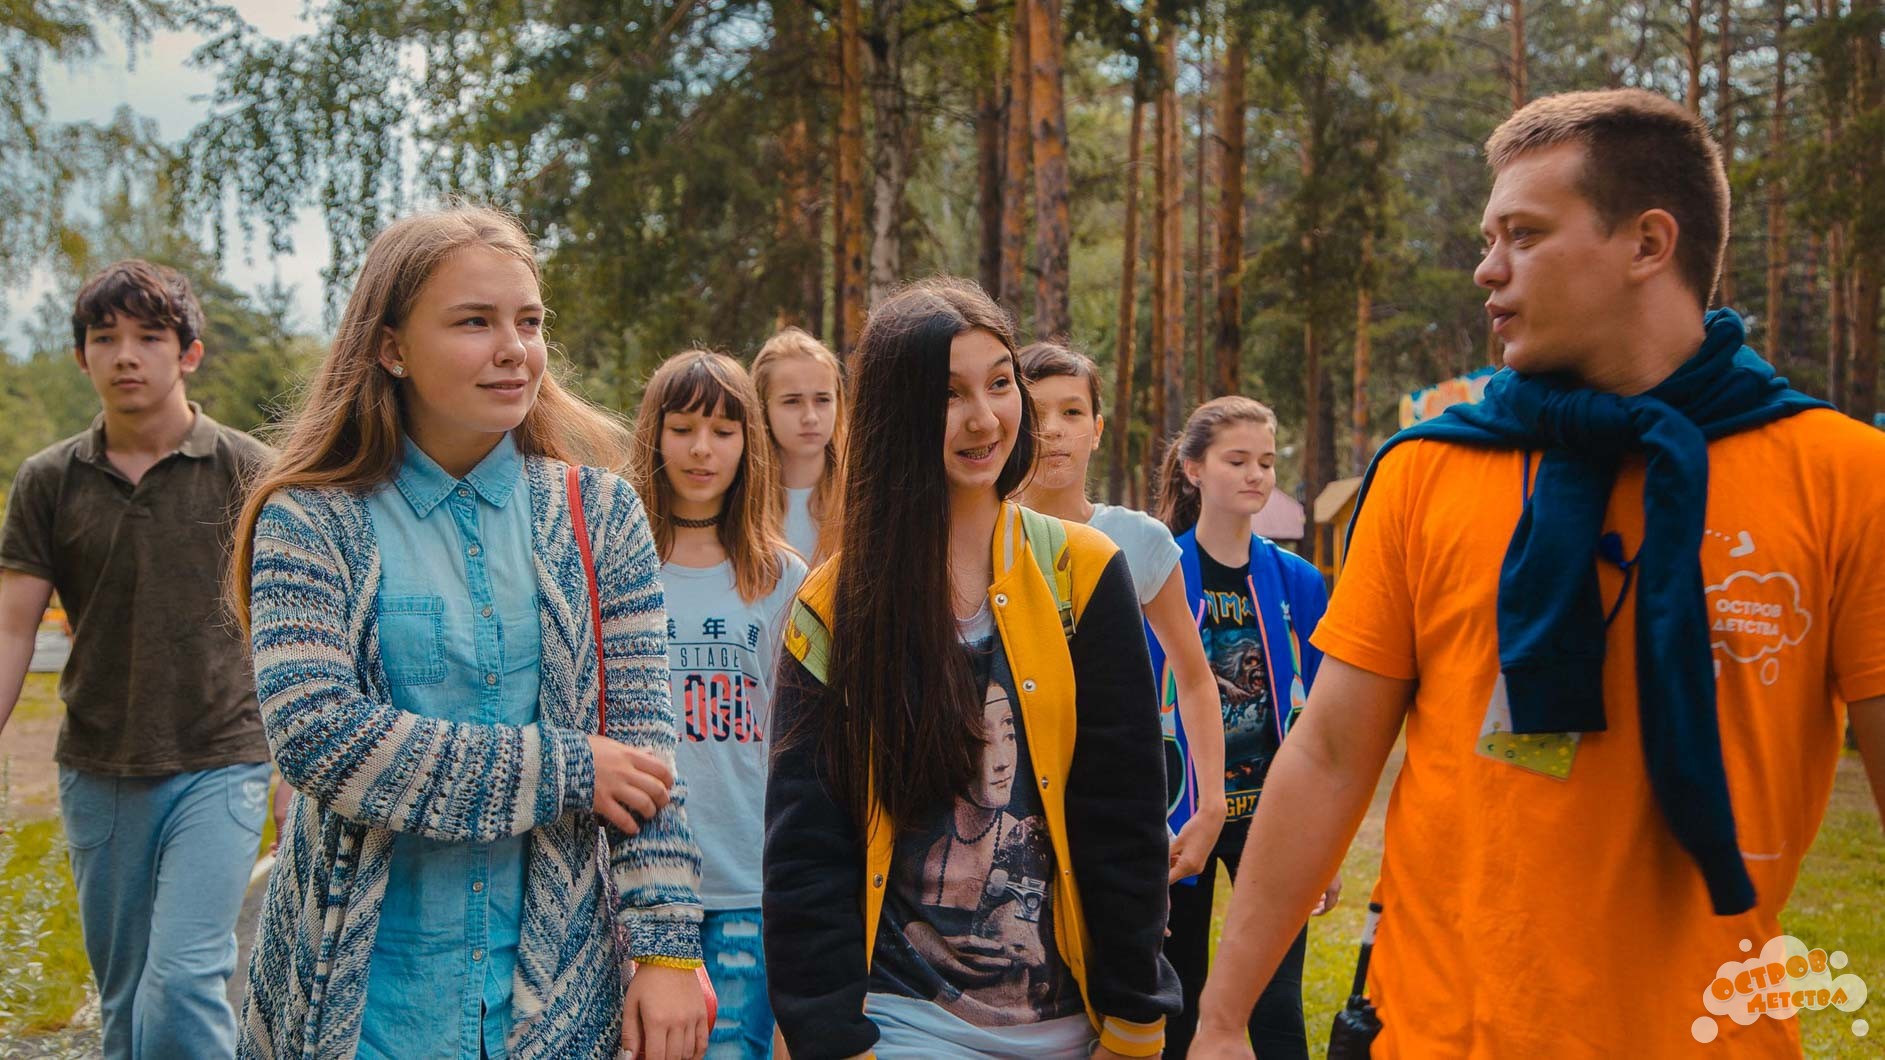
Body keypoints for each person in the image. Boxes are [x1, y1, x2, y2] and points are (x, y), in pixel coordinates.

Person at [1192, 89, 1885, 1059]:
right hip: (1434, 1032)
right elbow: (1331, 754)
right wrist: (1222, 1019)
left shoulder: (1844, 477)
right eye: (1488, 239)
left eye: (1522, 235)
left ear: (1647, 244)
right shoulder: (1428, 469)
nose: (1486, 269)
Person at [229, 206, 708, 1060]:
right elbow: (318, 736)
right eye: (474, 322)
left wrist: (668, 950)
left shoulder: (601, 515)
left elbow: (643, 753)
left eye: (529, 321)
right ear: (392, 347)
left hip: (556, 996)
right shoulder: (309, 520)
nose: (514, 348)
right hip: (363, 1000)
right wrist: (566, 768)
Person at [762, 278, 1180, 1059]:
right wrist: (832, 1036)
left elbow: (1123, 813)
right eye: (949, 394)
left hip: (1075, 1026)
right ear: (895, 412)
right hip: (905, 1027)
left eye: (998, 383)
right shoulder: (834, 604)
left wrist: (1134, 1017)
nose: (984, 417)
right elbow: (806, 846)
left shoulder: (1085, 572)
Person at [0, 260, 276, 1059]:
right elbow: (13, 629)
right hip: (100, 766)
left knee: (184, 980)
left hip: (221, 760)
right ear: (80, 356)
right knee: (124, 1001)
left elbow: (286, 627)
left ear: (188, 354)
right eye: (104, 337)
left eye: (150, 337)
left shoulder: (250, 472)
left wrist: (296, 769)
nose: (126, 355)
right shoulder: (49, 481)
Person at [631, 350, 808, 1058]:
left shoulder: (781, 576)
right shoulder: (617, 565)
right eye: (682, 429)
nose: (701, 449)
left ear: (748, 443)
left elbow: (799, 740)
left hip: (743, 878)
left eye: (723, 431)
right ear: (655, 435)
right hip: (636, 884)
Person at [1146, 397, 1333, 1059]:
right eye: (1237, 461)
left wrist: (1323, 842)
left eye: (1266, 462)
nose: (1256, 475)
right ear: (1193, 468)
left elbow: (1324, 718)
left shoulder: (1299, 582)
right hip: (1181, 819)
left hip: (1274, 818)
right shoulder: (1155, 572)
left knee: (1277, 1009)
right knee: (1178, 1001)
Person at [1013, 342, 1227, 885]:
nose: (1053, 430)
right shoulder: (976, 537)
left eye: (1072, 412)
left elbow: (1195, 678)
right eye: (1035, 413)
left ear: (1097, 429)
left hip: (1114, 813)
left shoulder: (1139, 540)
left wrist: (1212, 804)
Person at [751, 327, 846, 564]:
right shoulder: (743, 501)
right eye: (792, 401)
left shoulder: (861, 497)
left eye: (822, 399)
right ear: (762, 407)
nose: (810, 417)